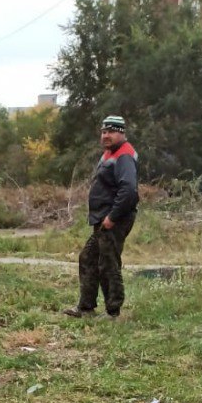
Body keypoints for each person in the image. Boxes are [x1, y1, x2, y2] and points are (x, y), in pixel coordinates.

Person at [63, 115, 138, 319]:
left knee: (108, 263)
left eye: (111, 132)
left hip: (114, 219)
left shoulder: (124, 155)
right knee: (88, 257)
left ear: (121, 133)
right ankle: (86, 308)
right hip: (102, 218)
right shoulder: (109, 153)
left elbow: (129, 191)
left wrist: (112, 217)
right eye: (104, 131)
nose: (106, 135)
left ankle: (113, 311)